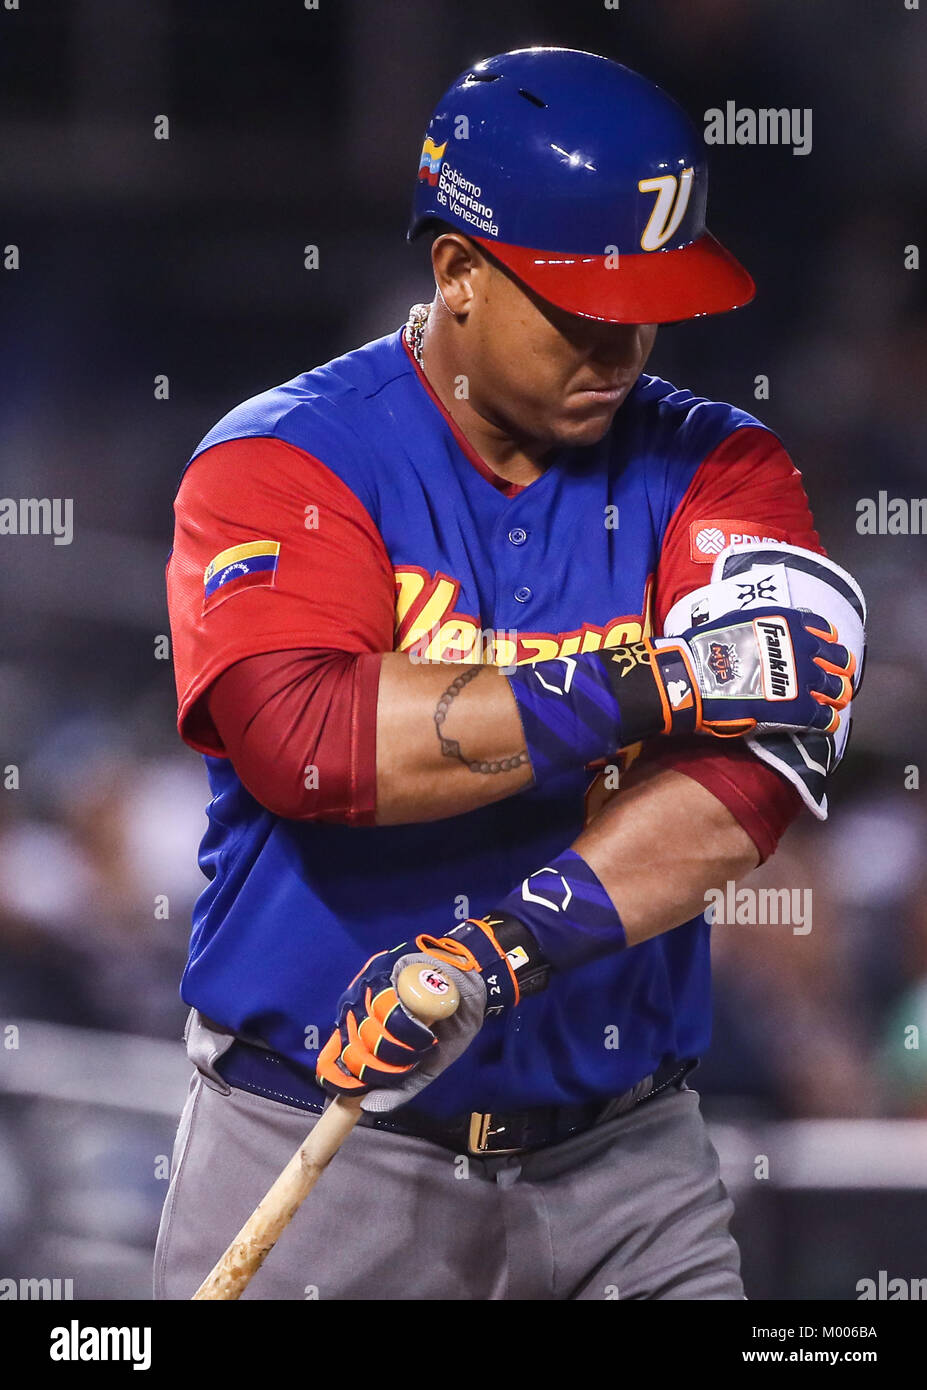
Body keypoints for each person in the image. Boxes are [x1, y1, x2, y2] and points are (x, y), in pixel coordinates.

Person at [155, 47, 863, 1301]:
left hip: (628, 1163)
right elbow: (307, 739)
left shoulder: (723, 468)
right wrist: (655, 683)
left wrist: (500, 953)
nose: (626, 347)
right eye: (586, 309)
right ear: (458, 272)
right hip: (322, 1142)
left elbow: (748, 777)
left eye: (652, 307)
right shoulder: (285, 459)